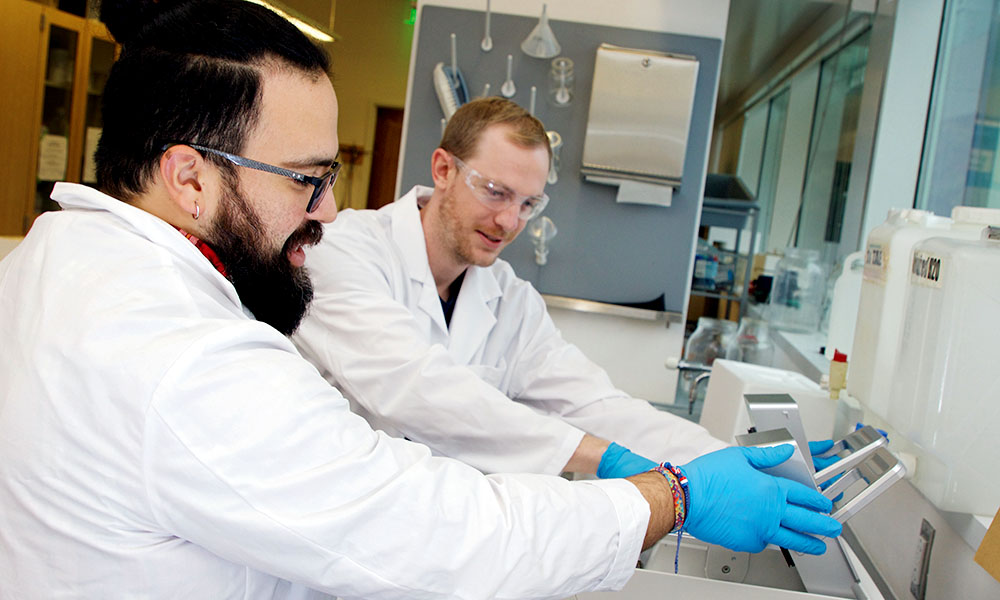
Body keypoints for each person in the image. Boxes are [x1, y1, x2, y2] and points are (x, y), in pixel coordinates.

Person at [0, 2, 840, 598]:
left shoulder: (58, 259)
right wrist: (672, 493)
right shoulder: (183, 353)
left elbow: (589, 398)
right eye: (308, 179)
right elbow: (424, 492)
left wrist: (724, 460)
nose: (328, 209)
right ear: (188, 177)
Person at [293, 97, 725, 479]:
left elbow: (594, 404)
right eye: (496, 193)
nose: (509, 222)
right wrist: (601, 456)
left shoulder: (512, 300)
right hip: (334, 520)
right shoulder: (345, 250)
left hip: (439, 529)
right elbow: (415, 388)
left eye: (527, 204)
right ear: (444, 169)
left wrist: (720, 460)